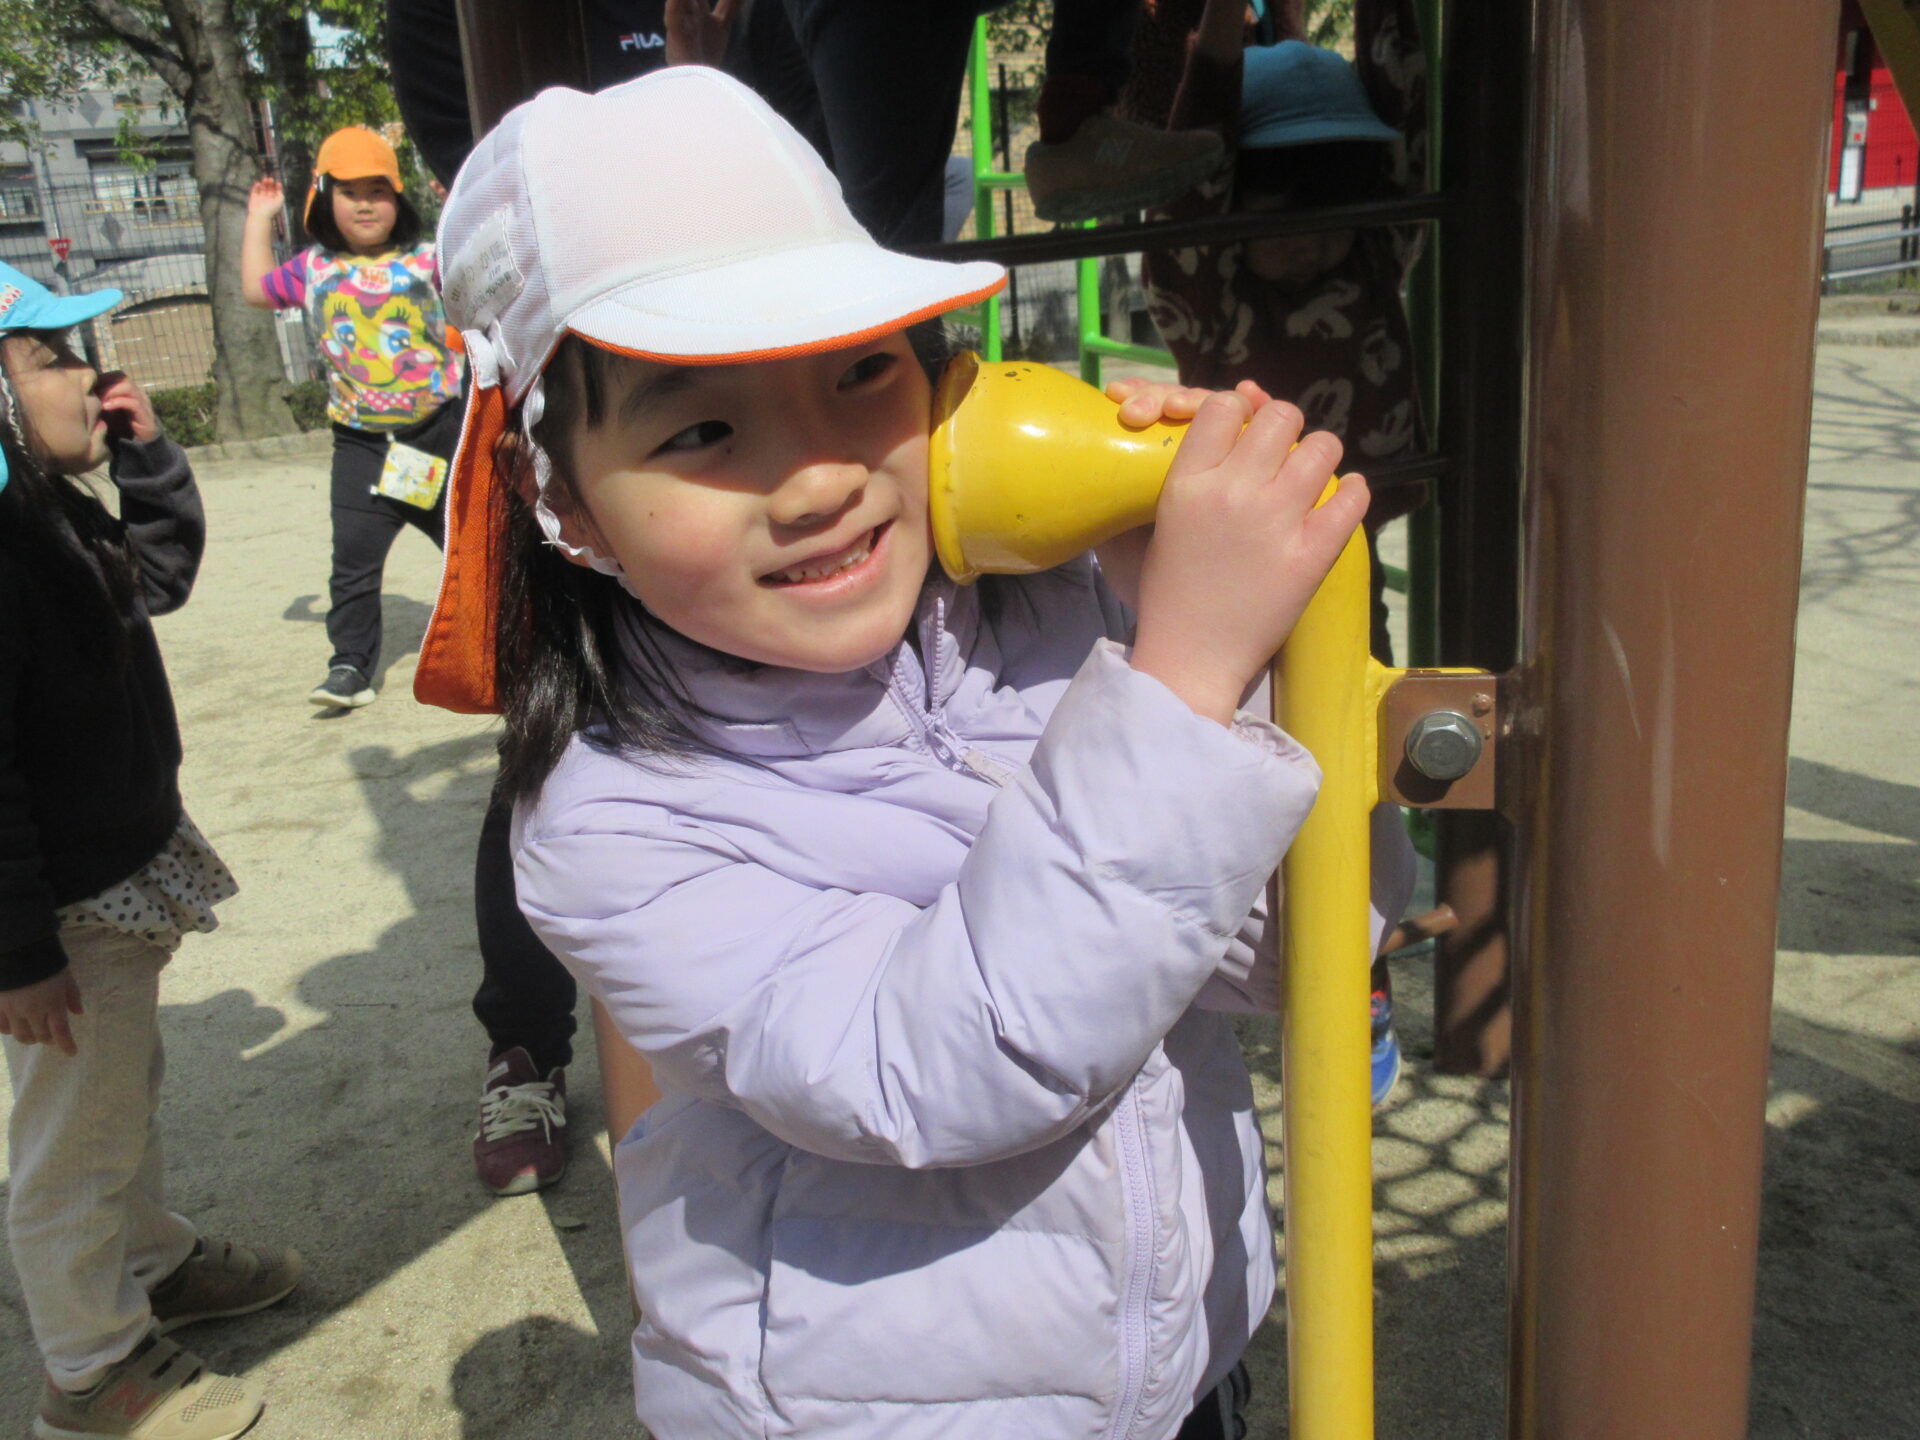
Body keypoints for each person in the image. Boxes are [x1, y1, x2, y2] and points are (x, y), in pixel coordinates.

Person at [417, 68, 1412, 1438]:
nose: (821, 477)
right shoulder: (615, 821)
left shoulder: (1068, 614)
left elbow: (1300, 946)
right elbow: (935, 1068)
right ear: (565, 504)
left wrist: (1232, 662)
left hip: (1174, 1373)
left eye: (860, 374)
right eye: (702, 428)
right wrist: (1184, 684)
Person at [0, 262, 301, 1440]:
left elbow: (158, 577)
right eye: (54, 357)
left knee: (120, 1099)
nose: (95, 374)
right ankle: (91, 1371)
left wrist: (148, 461)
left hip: (109, 884)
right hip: (61, 917)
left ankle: (152, 1264)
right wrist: (20, 954)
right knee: (73, 1144)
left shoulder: (51, 511)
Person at [1130, 0, 1430, 1101]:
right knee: (1233, 784)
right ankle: (1193, 969)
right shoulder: (1204, 290)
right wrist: (1217, 33)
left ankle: (1359, 975)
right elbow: (1187, 184)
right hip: (1227, 592)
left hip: (1347, 569)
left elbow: (1409, 121)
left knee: (1355, 778)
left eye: (1328, 210)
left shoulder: (1377, 248)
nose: (1308, 236)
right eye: (1275, 211)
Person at [240, 125, 465, 710]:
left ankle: (511, 639)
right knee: (352, 565)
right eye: (349, 192)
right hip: (362, 446)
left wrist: (458, 205)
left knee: (474, 547)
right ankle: (350, 666)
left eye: (378, 191)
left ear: (399, 198)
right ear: (323, 199)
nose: (365, 204)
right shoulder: (313, 268)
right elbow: (257, 291)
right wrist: (260, 218)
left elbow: (476, 265)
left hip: (438, 435)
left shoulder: (427, 260)